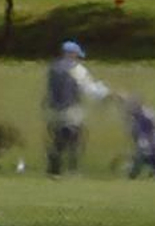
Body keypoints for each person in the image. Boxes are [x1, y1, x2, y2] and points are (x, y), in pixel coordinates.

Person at [44, 40, 110, 176]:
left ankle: (54, 169)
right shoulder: (77, 70)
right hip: (71, 108)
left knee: (58, 138)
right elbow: (89, 88)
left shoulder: (53, 68)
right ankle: (71, 169)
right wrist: (104, 93)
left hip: (53, 109)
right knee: (75, 138)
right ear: (72, 54)